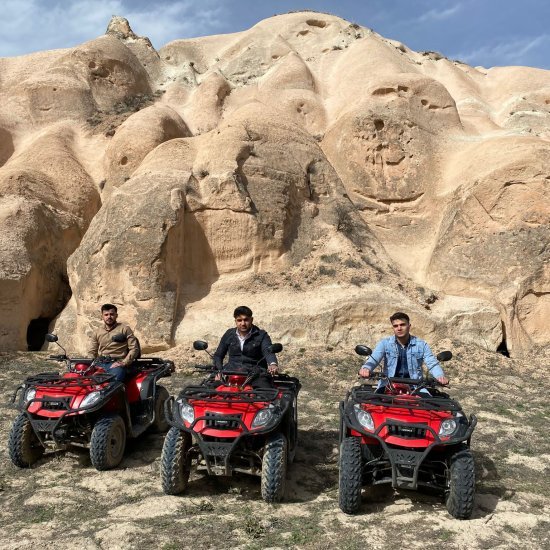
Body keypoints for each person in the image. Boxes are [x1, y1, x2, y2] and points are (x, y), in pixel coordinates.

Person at [359, 312, 448, 392]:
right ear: (393, 328)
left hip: (416, 387)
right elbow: (375, 358)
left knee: (430, 407)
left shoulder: (421, 345)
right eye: (395, 326)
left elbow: (431, 362)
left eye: (402, 325)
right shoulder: (384, 343)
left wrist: (440, 376)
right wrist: (366, 368)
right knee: (372, 406)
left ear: (409, 326)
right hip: (388, 385)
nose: (399, 328)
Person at [213, 306, 279, 389]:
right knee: (209, 390)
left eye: (246, 320)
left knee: (265, 393)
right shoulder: (229, 334)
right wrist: (219, 371)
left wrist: (273, 364)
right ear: (235, 321)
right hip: (231, 372)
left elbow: (268, 351)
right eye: (239, 320)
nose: (243, 323)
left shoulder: (261, 335)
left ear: (251, 319)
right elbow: (218, 355)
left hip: (255, 374)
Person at [87, 303, 140, 382]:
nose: (109, 317)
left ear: (116, 315)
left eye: (112, 314)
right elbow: (92, 351)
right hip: (100, 363)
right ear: (102, 316)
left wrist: (124, 362)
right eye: (106, 314)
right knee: (83, 377)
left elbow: (134, 349)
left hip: (117, 363)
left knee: (113, 383)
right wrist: (90, 364)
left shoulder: (125, 329)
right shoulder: (97, 332)